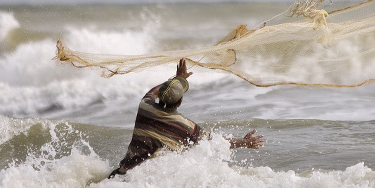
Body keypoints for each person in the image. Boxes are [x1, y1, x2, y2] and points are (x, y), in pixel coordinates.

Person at [108, 58, 264, 178]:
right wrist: (244, 142)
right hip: (144, 181)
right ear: (180, 101)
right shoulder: (185, 126)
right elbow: (215, 143)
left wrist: (177, 79)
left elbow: (152, 92)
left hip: (122, 174)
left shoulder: (145, 107)